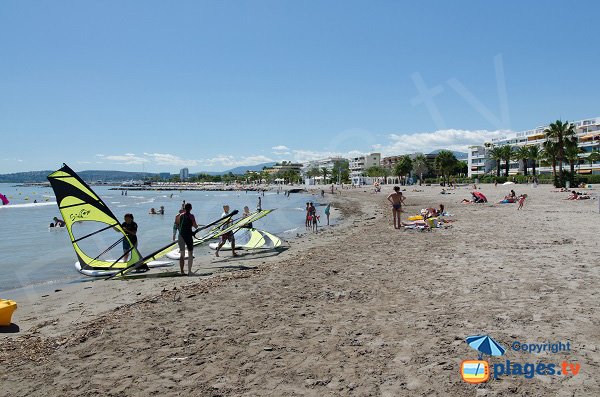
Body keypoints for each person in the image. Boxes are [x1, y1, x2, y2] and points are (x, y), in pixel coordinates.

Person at [174, 203, 198, 275]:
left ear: (184, 208)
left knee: (182, 254)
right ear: (191, 208)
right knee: (190, 254)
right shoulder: (191, 216)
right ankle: (189, 271)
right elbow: (195, 226)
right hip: (188, 236)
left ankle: (182, 271)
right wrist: (196, 226)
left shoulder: (180, 215)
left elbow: (177, 223)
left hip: (181, 236)